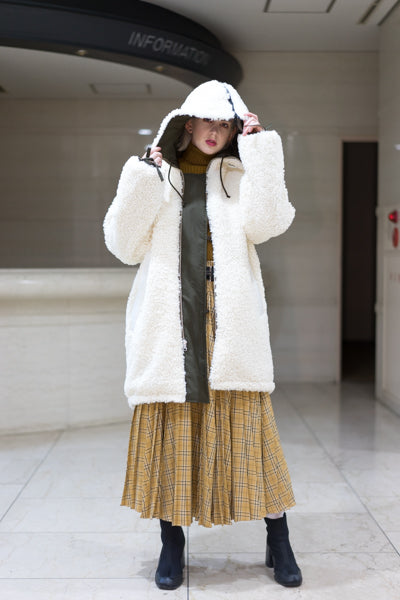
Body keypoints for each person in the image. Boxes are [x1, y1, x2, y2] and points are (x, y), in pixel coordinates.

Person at [103, 80, 302, 590]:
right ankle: (171, 542)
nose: (215, 132)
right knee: (173, 425)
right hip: (171, 317)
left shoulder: (239, 175)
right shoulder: (159, 176)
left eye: (225, 125)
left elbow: (270, 223)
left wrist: (261, 151)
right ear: (186, 123)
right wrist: (143, 177)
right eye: (206, 122)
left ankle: (278, 538)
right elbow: (124, 246)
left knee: (249, 425)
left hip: (229, 315)